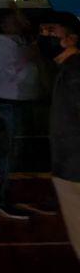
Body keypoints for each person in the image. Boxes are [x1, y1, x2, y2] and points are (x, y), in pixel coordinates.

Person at [0, 11, 40, 220]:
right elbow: (6, 77)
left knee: (16, 153)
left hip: (20, 103)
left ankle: (6, 196)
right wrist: (26, 60)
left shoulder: (19, 44)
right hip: (7, 105)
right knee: (6, 155)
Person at [49, 15, 80, 257]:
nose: (49, 35)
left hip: (73, 165)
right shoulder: (69, 67)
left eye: (54, 31)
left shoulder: (74, 70)